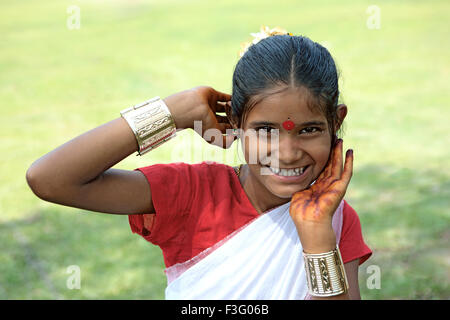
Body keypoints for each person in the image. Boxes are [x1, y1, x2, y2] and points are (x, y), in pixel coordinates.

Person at [26, 26, 372, 300]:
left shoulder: (336, 221)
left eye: (309, 130)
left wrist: (316, 236)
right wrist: (173, 113)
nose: (287, 152)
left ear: (336, 122)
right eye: (265, 130)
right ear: (236, 121)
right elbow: (51, 180)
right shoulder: (194, 193)